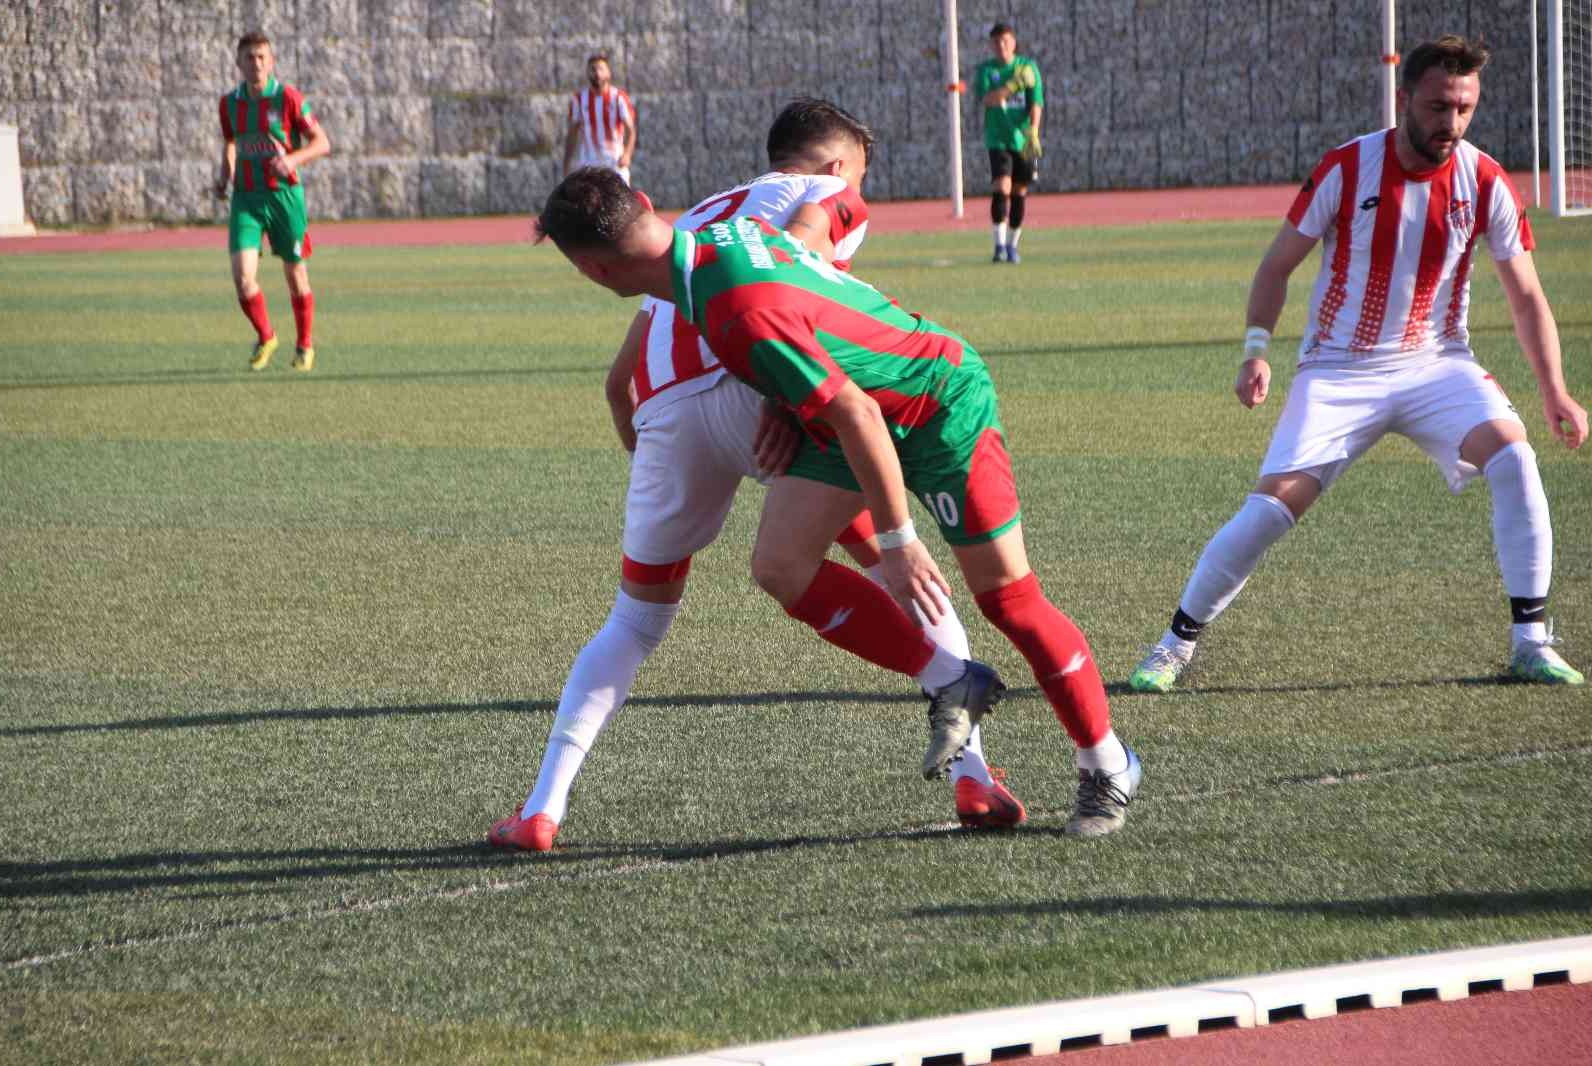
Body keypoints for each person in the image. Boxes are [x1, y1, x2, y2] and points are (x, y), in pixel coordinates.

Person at [530, 168, 1145, 838]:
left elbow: (855, 413)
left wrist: (899, 538)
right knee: (780, 565)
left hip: (935, 399)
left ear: (592, 271)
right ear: (647, 206)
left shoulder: (732, 312)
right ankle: (950, 678)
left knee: (1008, 599)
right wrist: (779, 399)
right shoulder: (721, 240)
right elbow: (809, 254)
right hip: (859, 410)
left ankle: (1107, 764)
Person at [489, 100, 1024, 854]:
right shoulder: (825, 195)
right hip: (756, 382)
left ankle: (542, 809)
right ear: (838, 165)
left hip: (665, 410)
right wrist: (780, 397)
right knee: (887, 551)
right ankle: (972, 767)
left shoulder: (688, 224)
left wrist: (652, 468)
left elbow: (620, 385)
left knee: (635, 621)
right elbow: (793, 276)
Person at [1130, 35, 1588, 695]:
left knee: (1515, 458)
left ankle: (1532, 642)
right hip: (1339, 370)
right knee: (1269, 510)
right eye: (1438, 106)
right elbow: (1277, 265)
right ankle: (1172, 647)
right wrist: (1256, 351)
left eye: (1463, 108)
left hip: (1438, 363)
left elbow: (1526, 297)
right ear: (1405, 97)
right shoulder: (1347, 168)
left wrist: (1555, 391)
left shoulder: (1485, 179)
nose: (1450, 122)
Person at [213, 30, 330, 372]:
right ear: (238, 63)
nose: (256, 63)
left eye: (262, 57)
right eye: (249, 57)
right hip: (246, 199)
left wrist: (293, 160)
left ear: (272, 61)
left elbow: (322, 142)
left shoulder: (289, 99)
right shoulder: (230, 104)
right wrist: (224, 176)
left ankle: (305, 345)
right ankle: (266, 335)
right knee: (243, 278)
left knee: (295, 275)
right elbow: (231, 142)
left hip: (284, 199)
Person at [973, 22, 1043, 264]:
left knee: (1019, 191)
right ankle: (999, 246)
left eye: (1005, 40)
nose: (1001, 46)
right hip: (998, 139)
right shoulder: (986, 70)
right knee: (1001, 187)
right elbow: (988, 100)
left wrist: (1033, 131)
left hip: (1022, 140)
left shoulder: (1028, 67)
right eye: (996, 42)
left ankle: (1013, 246)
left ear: (1013, 42)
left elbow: (1036, 102)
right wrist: (1012, 85)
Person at [562, 54, 636, 184]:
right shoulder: (579, 100)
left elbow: (631, 130)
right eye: (593, 69)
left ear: (608, 72)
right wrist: (567, 162)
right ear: (588, 73)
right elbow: (572, 133)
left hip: (614, 161)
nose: (597, 73)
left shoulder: (618, 98)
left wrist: (627, 154)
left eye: (601, 69)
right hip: (589, 163)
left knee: (620, 200)